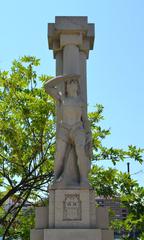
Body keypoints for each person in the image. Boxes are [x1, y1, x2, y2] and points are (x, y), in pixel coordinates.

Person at [44, 75, 92, 187]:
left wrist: (89, 133)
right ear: (66, 86)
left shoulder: (81, 102)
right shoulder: (62, 98)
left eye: (74, 82)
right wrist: (65, 77)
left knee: (81, 150)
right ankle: (55, 179)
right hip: (64, 128)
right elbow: (47, 86)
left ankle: (84, 179)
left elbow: (85, 119)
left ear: (77, 86)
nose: (72, 84)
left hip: (77, 128)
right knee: (59, 155)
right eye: (69, 82)